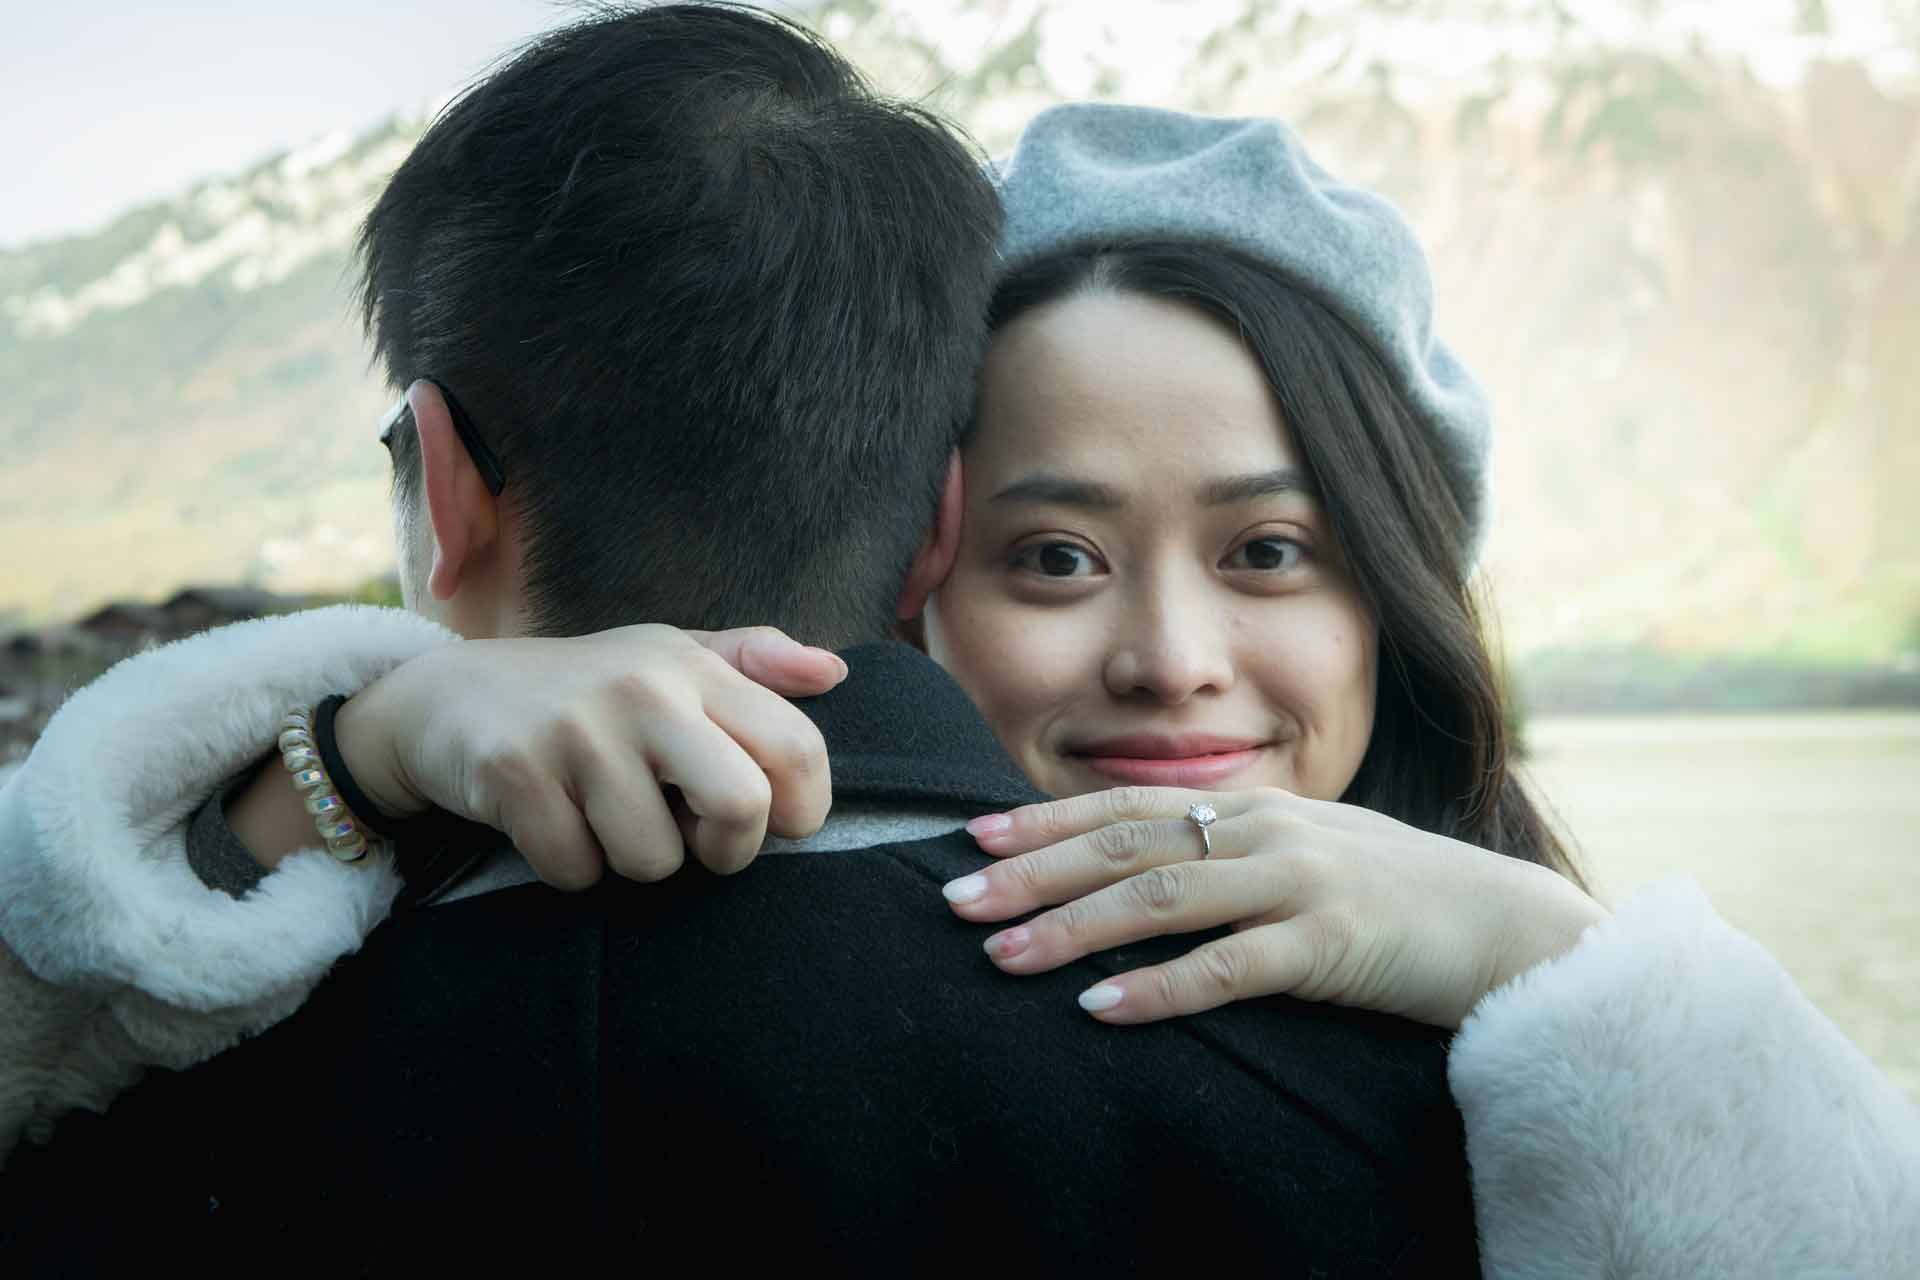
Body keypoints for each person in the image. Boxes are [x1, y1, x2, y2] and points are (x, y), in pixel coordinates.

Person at [5, 25, 1916, 1279]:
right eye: (1059, 552)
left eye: (1271, 549)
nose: (1174, 661)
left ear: (1400, 596)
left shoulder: (1549, 1084)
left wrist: (1562, 971)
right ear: (921, 545)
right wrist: (344, 749)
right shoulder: (1352, 1159)